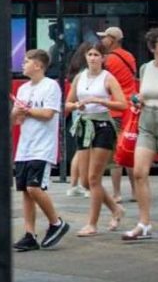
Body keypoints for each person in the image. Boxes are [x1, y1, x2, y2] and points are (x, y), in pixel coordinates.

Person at [11, 49, 71, 251]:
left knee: (34, 188)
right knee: (25, 192)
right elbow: (15, 120)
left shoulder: (51, 86)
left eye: (27, 61)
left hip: (42, 147)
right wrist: (17, 112)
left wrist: (27, 110)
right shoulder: (23, 89)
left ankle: (56, 222)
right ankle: (29, 233)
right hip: (24, 147)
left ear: (38, 65)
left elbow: (48, 113)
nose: (23, 64)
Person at [66, 42, 127, 237]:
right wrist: (77, 106)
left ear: (103, 58)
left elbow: (122, 104)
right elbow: (67, 103)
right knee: (85, 181)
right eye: (90, 54)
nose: (93, 58)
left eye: (96, 55)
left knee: (94, 178)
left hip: (102, 127)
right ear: (85, 57)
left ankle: (92, 223)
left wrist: (100, 101)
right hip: (84, 125)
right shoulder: (79, 78)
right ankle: (115, 209)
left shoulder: (108, 78)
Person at [123, 28, 158, 242]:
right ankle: (144, 223)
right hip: (146, 121)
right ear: (152, 48)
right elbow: (141, 93)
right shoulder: (145, 68)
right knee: (140, 172)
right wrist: (137, 99)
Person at [97, 26, 138, 203]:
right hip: (131, 108)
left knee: (116, 153)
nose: (102, 41)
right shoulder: (129, 56)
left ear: (112, 40)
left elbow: (105, 84)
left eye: (105, 38)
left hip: (115, 108)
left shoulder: (109, 61)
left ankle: (117, 193)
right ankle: (136, 192)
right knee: (130, 149)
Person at [63, 42, 93, 198]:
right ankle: (82, 184)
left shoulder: (77, 72)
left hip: (79, 114)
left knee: (80, 150)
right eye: (92, 54)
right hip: (86, 115)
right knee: (85, 151)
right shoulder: (85, 75)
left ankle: (75, 184)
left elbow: (69, 103)